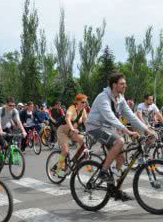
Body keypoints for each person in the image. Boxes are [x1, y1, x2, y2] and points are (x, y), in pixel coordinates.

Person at [86, 73, 154, 201]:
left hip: (108, 129)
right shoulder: (103, 97)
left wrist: (146, 130)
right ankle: (103, 172)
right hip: (95, 127)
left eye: (125, 83)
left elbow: (131, 116)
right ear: (114, 85)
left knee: (122, 159)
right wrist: (127, 132)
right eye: (122, 84)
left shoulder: (120, 99)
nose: (125, 86)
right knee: (120, 141)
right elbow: (109, 117)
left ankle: (116, 190)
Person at [56, 95, 88, 176]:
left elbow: (86, 122)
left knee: (83, 141)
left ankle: (74, 161)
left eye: (85, 102)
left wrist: (91, 130)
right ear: (77, 102)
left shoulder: (83, 110)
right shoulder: (72, 108)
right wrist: (73, 129)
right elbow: (67, 119)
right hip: (63, 130)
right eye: (83, 102)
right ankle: (58, 169)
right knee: (65, 151)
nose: (84, 104)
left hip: (71, 132)